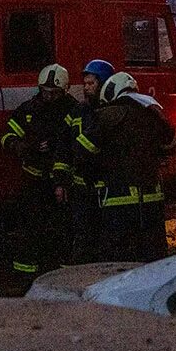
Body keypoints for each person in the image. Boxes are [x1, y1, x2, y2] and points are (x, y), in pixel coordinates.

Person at [74, 71, 176, 261]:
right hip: (152, 199)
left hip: (116, 199)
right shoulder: (152, 113)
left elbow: (82, 150)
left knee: (118, 259)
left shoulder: (106, 115)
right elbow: (171, 146)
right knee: (152, 258)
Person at [0, 63, 81, 288]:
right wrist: (24, 147)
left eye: (54, 93)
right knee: (28, 232)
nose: (49, 96)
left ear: (64, 91)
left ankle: (61, 281)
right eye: (45, 91)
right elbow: (7, 136)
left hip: (63, 184)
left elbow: (76, 147)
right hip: (33, 183)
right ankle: (24, 280)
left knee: (63, 233)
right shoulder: (28, 109)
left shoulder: (74, 111)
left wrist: (62, 180)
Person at [68, 59, 115, 262]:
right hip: (81, 189)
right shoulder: (79, 111)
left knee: (106, 238)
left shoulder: (111, 113)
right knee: (82, 237)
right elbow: (65, 142)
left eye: (91, 84)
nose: (87, 88)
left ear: (104, 84)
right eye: (85, 84)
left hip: (106, 189)